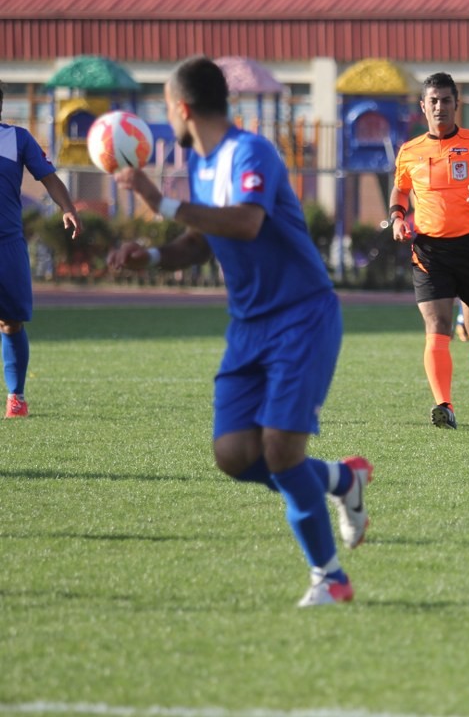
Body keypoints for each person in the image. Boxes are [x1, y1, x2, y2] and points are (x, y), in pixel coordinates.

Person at [106, 56, 371, 607]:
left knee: (279, 450)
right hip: (249, 325)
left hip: (301, 316)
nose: (166, 120)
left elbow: (247, 222)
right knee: (233, 453)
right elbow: (200, 242)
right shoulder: (201, 164)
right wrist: (150, 257)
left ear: (182, 108)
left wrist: (159, 200)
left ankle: (329, 577)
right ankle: (341, 481)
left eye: (165, 107)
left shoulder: (251, 152)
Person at [391, 72, 469, 429]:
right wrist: (398, 217)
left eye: (446, 100)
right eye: (433, 101)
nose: (439, 107)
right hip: (429, 250)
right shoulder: (410, 151)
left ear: (456, 104)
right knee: (438, 325)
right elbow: (400, 189)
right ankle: (443, 406)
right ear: (423, 106)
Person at [0, 80, 82, 418]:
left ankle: (16, 396)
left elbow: (48, 178)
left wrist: (68, 208)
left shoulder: (17, 139)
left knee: (11, 321)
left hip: (7, 244)